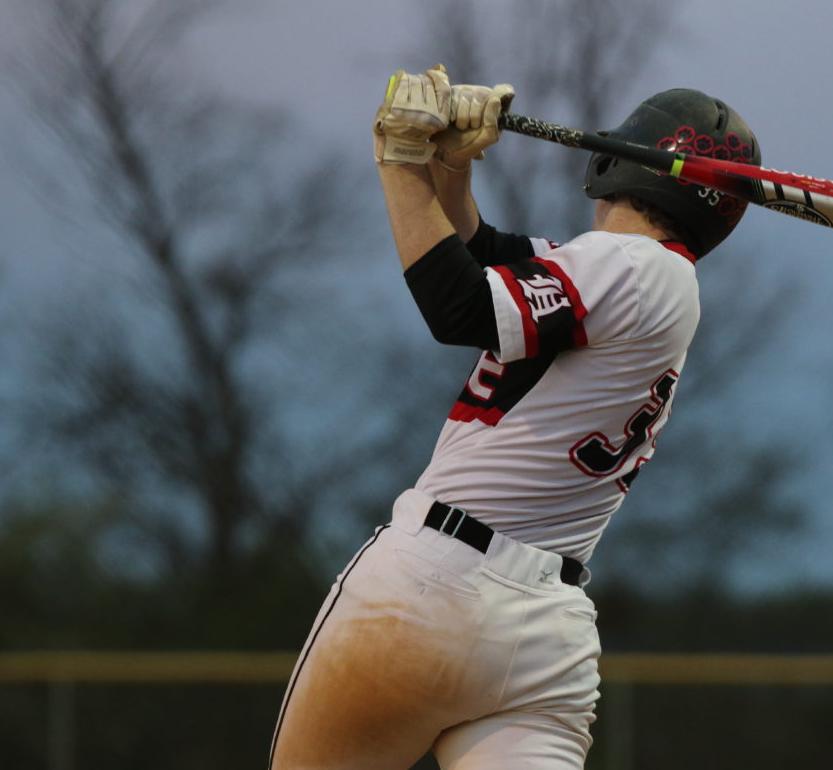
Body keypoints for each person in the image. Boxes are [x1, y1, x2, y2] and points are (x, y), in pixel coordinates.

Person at [269, 64, 760, 769]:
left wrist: (399, 161)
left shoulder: (636, 267)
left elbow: (459, 307)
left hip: (427, 589)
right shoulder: (642, 277)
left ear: (620, 163)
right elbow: (480, 256)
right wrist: (449, 167)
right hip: (545, 637)